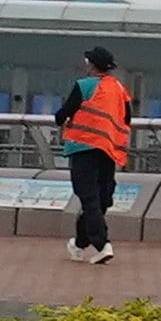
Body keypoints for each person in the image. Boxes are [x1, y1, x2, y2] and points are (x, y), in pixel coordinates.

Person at [52, 45, 133, 262]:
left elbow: (62, 115)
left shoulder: (84, 86)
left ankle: (102, 244)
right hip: (108, 149)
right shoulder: (118, 88)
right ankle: (79, 243)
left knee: (89, 197)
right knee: (102, 197)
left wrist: (68, 120)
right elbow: (127, 119)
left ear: (92, 64)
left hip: (82, 147)